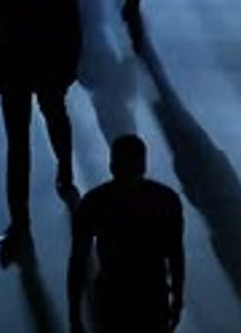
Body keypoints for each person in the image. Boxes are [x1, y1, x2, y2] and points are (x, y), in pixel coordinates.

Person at [0, 0, 83, 250]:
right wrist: (66, 73)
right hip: (47, 71)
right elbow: (73, 37)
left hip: (14, 71)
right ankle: (64, 165)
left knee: (18, 146)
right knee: (54, 119)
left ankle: (20, 219)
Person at [68, 134, 185, 333]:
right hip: (152, 295)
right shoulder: (166, 199)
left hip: (112, 295)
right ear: (143, 165)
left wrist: (74, 313)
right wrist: (177, 298)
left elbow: (78, 260)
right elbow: (175, 254)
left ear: (112, 165)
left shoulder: (95, 202)